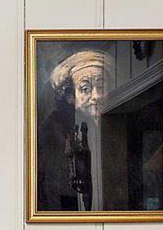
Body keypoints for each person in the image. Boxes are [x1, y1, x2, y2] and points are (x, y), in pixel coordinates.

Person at [36, 48, 112, 212]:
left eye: (100, 86)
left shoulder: (97, 122)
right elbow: (46, 179)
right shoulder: (50, 129)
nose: (96, 96)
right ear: (67, 97)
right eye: (85, 89)